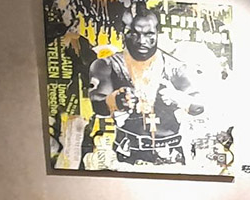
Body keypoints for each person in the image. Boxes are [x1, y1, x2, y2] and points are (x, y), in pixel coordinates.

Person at [87, 4, 203, 166]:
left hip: (172, 155)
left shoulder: (175, 67)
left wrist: (179, 98)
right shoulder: (107, 65)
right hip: (128, 156)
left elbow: (200, 105)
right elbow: (97, 104)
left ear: (157, 33)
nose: (142, 41)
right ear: (124, 33)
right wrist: (116, 100)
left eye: (149, 34)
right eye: (135, 34)